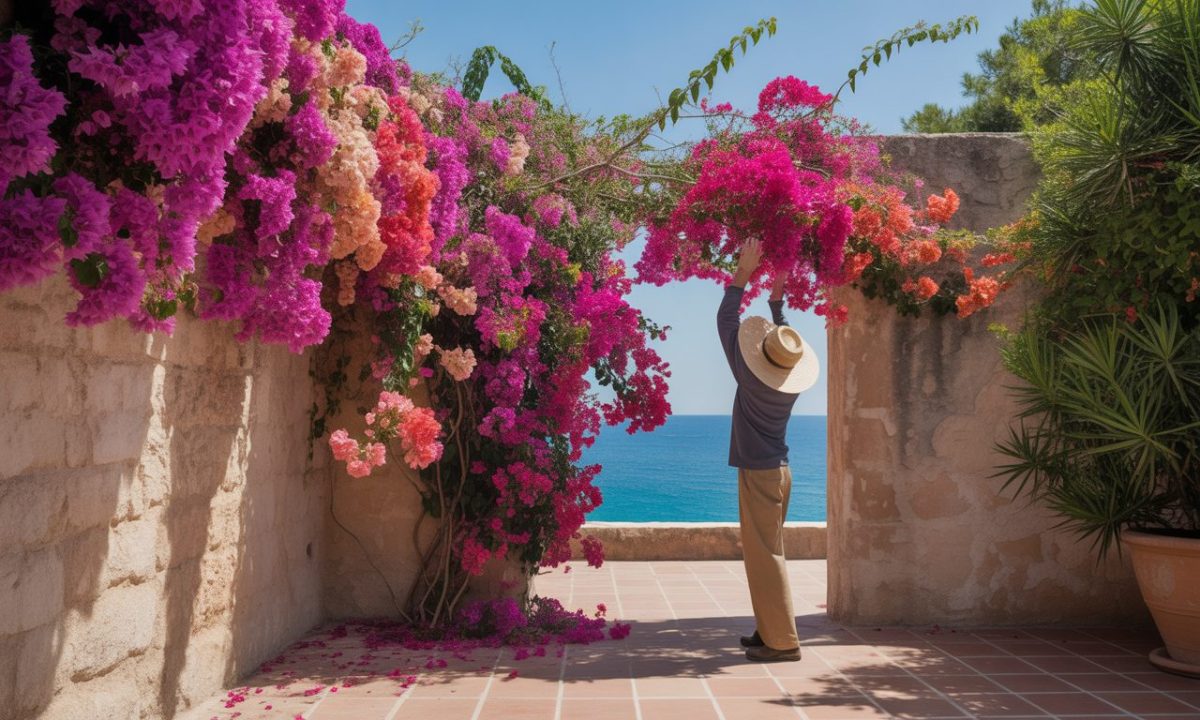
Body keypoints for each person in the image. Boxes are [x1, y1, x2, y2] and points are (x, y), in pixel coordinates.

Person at [716, 238, 819, 663]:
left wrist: (743, 273)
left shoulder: (750, 378)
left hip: (760, 473)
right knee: (768, 551)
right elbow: (784, 342)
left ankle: (783, 642)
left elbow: (726, 320)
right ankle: (767, 628)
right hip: (780, 470)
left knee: (765, 555)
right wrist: (777, 300)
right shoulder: (782, 383)